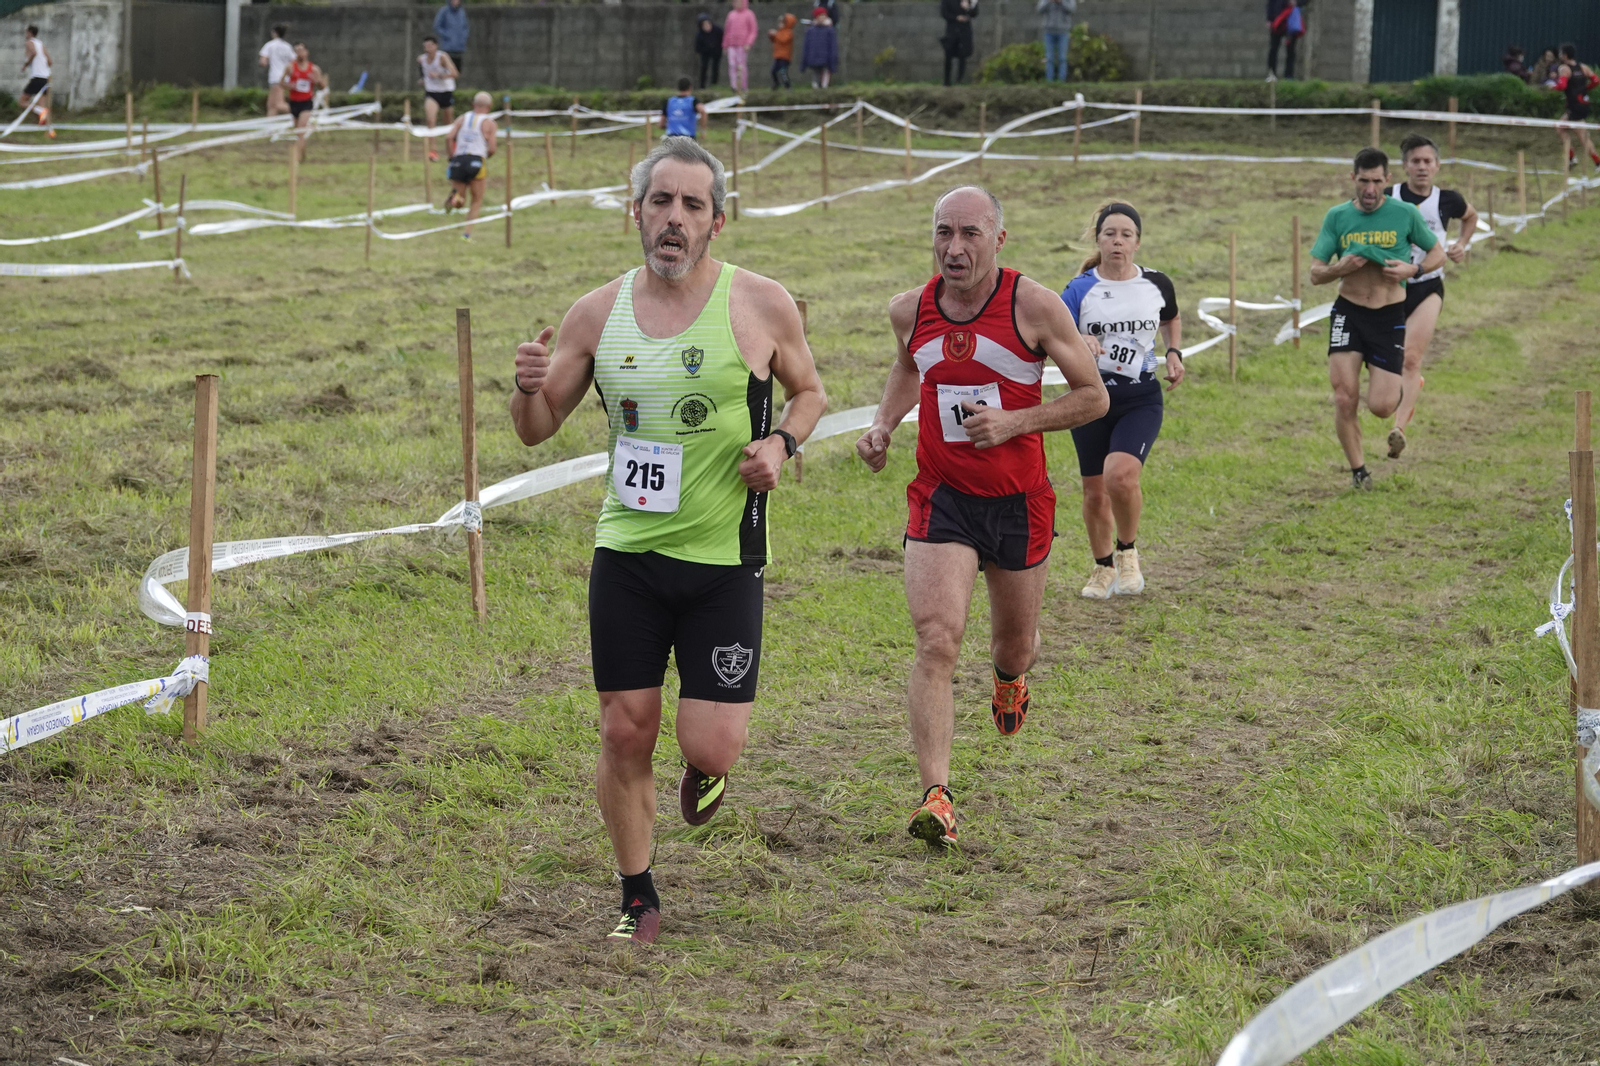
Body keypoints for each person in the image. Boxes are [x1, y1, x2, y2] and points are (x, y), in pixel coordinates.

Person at [508, 137, 827, 944]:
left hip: (724, 561)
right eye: (661, 202)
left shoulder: (761, 303)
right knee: (624, 727)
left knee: (712, 743)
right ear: (635, 213)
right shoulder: (595, 313)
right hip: (628, 556)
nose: (674, 220)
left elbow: (811, 392)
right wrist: (526, 389)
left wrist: (781, 446)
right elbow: (538, 431)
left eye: (692, 205)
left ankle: (705, 770)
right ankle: (637, 894)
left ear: (717, 221)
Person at [854, 187, 1107, 848]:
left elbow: (1094, 398)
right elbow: (909, 369)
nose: (954, 248)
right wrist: (883, 425)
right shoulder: (908, 310)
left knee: (1012, 646)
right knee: (938, 638)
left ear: (999, 239)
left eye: (969, 234)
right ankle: (936, 795)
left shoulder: (1034, 305)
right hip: (941, 498)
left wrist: (1017, 421)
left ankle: (1010, 680)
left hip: (1019, 501)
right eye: (943, 233)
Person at [1060, 202, 1184, 599]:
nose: (1117, 241)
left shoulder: (1157, 283)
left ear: (1137, 242)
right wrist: (1079, 340)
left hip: (1140, 397)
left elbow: (1171, 317)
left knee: (1121, 476)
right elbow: (1054, 336)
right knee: (1094, 491)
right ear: (1098, 239)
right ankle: (1102, 569)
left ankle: (1127, 552)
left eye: (1126, 234)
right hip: (1089, 399)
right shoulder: (1080, 288)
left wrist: (1174, 352)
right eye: (1110, 233)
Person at [1309, 148, 1444, 490]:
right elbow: (1315, 274)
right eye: (1363, 181)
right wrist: (1341, 268)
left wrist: (1414, 269)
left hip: (1388, 316)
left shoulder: (1405, 213)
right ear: (1353, 179)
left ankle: (1402, 392)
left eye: (1376, 182)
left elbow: (1438, 253)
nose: (1370, 190)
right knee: (1343, 396)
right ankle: (1359, 472)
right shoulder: (1337, 217)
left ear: (1387, 181)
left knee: (1382, 407)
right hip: (1348, 312)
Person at [1384, 134, 1476, 460]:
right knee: (1383, 359)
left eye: (1427, 161)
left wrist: (1461, 245)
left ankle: (1399, 430)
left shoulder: (1447, 199)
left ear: (1437, 166)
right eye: (1415, 161)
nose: (1422, 167)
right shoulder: (1388, 196)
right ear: (1405, 165)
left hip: (1428, 286)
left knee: (1411, 358)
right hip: (1390, 286)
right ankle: (1404, 389)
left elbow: (1471, 216)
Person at [442, 92, 498, 241]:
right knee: (476, 200)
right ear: (489, 107)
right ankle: (466, 234)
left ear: (473, 105)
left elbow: (448, 137)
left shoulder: (462, 119)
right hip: (476, 161)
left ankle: (454, 199)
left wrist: (450, 157)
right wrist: (485, 156)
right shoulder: (489, 123)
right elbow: (492, 148)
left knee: (460, 199)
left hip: (458, 159)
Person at [1554, 44, 1600, 170]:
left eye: (1560, 53)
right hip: (1584, 104)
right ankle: (1579, 159)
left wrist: (1552, 87)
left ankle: (1576, 159)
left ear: (1564, 55)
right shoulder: (1583, 67)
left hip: (1574, 105)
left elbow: (1562, 86)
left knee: (1576, 134)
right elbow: (1596, 80)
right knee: (1564, 128)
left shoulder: (1564, 69)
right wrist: (1585, 90)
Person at [281, 43, 327, 161]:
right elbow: (281, 83)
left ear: (306, 52)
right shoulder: (290, 67)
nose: (299, 53)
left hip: (306, 102)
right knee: (298, 132)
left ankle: (296, 157)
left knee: (301, 129)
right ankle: (303, 155)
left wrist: (317, 81)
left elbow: (323, 87)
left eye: (301, 50)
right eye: (297, 51)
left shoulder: (314, 69)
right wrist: (290, 85)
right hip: (294, 102)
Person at [417, 35, 459, 164]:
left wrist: (439, 75)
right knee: (430, 120)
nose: (427, 48)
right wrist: (423, 79)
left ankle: (452, 151)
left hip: (446, 92)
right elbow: (423, 72)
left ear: (436, 46)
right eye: (425, 46)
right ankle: (433, 151)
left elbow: (455, 74)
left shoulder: (442, 57)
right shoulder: (421, 59)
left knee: (448, 124)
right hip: (431, 93)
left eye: (430, 45)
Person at [18, 25, 51, 136]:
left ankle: (40, 112)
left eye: (26, 32)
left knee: (22, 101)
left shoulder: (29, 42)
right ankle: (47, 131)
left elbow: (33, 53)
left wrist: (26, 65)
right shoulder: (41, 44)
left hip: (36, 77)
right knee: (42, 106)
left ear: (29, 32)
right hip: (45, 78)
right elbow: (50, 61)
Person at [258, 24, 295, 119]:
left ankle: (302, 111)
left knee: (279, 105)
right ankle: (269, 127)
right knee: (271, 105)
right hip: (285, 77)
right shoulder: (287, 46)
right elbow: (293, 62)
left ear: (275, 33)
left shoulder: (270, 45)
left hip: (275, 77)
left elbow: (263, 61)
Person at [722, 0, 758, 94]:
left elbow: (753, 31)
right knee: (732, 65)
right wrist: (725, 45)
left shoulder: (749, 14)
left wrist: (748, 43)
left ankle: (743, 86)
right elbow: (727, 30)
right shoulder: (731, 14)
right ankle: (734, 86)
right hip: (731, 45)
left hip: (742, 45)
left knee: (741, 66)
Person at [940, 0, 978, 86]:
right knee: (948, 55)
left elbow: (975, 13)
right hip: (951, 31)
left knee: (963, 55)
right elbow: (944, 13)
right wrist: (956, 17)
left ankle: (959, 80)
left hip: (965, 31)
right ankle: (946, 81)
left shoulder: (969, 1)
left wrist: (967, 7)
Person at [1037, 0, 1074, 83]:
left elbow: (1072, 9)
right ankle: (1049, 80)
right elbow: (1040, 9)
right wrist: (1049, 1)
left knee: (1062, 58)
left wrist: (1061, 2)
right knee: (1049, 57)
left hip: (1063, 31)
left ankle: (1061, 81)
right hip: (1049, 31)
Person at [1265, 0, 1303, 81]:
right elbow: (1270, 3)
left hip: (1291, 20)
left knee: (1291, 50)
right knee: (1273, 49)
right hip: (1277, 20)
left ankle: (1289, 76)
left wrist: (1297, 2)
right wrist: (1269, 18)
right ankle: (1272, 74)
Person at [801, 7, 838, 89]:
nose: (823, 17)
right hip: (814, 59)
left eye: (824, 15)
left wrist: (832, 60)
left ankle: (824, 90)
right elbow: (807, 46)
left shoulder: (830, 30)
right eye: (821, 15)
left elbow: (833, 46)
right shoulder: (810, 30)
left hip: (826, 59)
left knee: (825, 75)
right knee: (815, 76)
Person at [433, 0, 468, 75]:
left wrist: (463, 38)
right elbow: (437, 27)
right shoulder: (444, 11)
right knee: (446, 69)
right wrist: (447, 35)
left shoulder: (461, 12)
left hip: (459, 47)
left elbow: (465, 27)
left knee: (457, 70)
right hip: (447, 46)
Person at [694, 14, 723, 88]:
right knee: (704, 68)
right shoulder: (699, 35)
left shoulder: (717, 30)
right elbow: (697, 48)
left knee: (715, 68)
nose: (707, 26)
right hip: (705, 53)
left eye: (708, 24)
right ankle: (702, 86)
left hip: (716, 51)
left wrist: (718, 49)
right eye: (704, 25)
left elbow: (722, 40)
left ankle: (714, 84)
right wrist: (705, 50)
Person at [769, 13, 796, 90]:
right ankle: (776, 83)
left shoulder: (789, 32)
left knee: (783, 72)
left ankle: (788, 86)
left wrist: (776, 34)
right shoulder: (780, 32)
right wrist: (771, 35)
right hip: (778, 56)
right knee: (773, 71)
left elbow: (783, 40)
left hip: (785, 57)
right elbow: (775, 40)